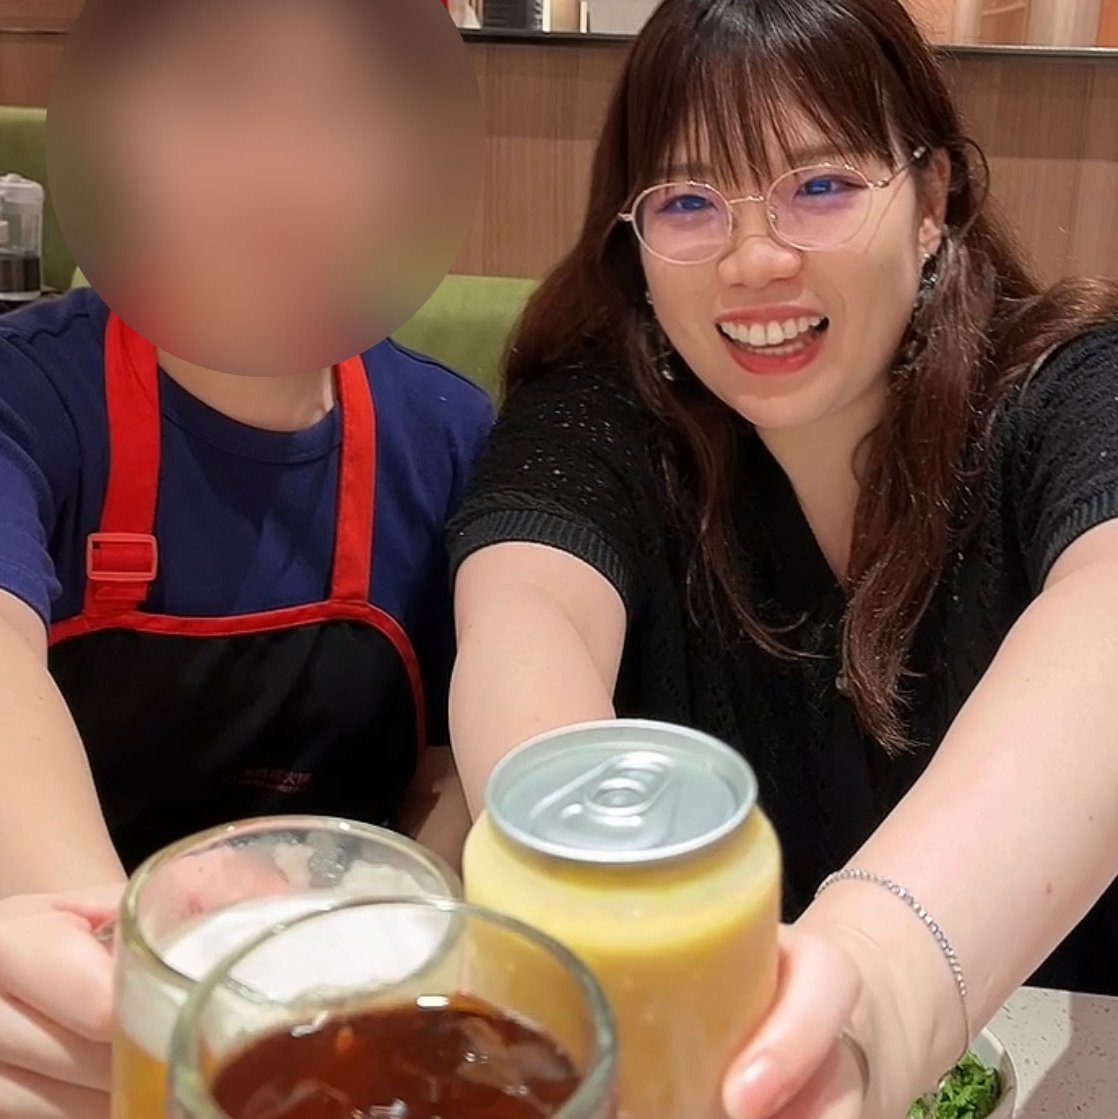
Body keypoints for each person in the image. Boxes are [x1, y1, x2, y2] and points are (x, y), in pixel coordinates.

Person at [447, 0, 1118, 1116]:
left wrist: (871, 995)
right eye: (687, 201)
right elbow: (527, 609)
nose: (755, 259)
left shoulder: (1067, 389)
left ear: (932, 200)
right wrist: (592, 919)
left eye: (821, 186)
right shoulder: (597, 417)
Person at [0, 2, 488, 1116]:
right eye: (218, 95)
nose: (282, 165)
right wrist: (140, 995)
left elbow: (454, 773)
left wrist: (380, 971)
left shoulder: (452, 435)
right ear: (119, 132)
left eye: (342, 109)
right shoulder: (27, 402)